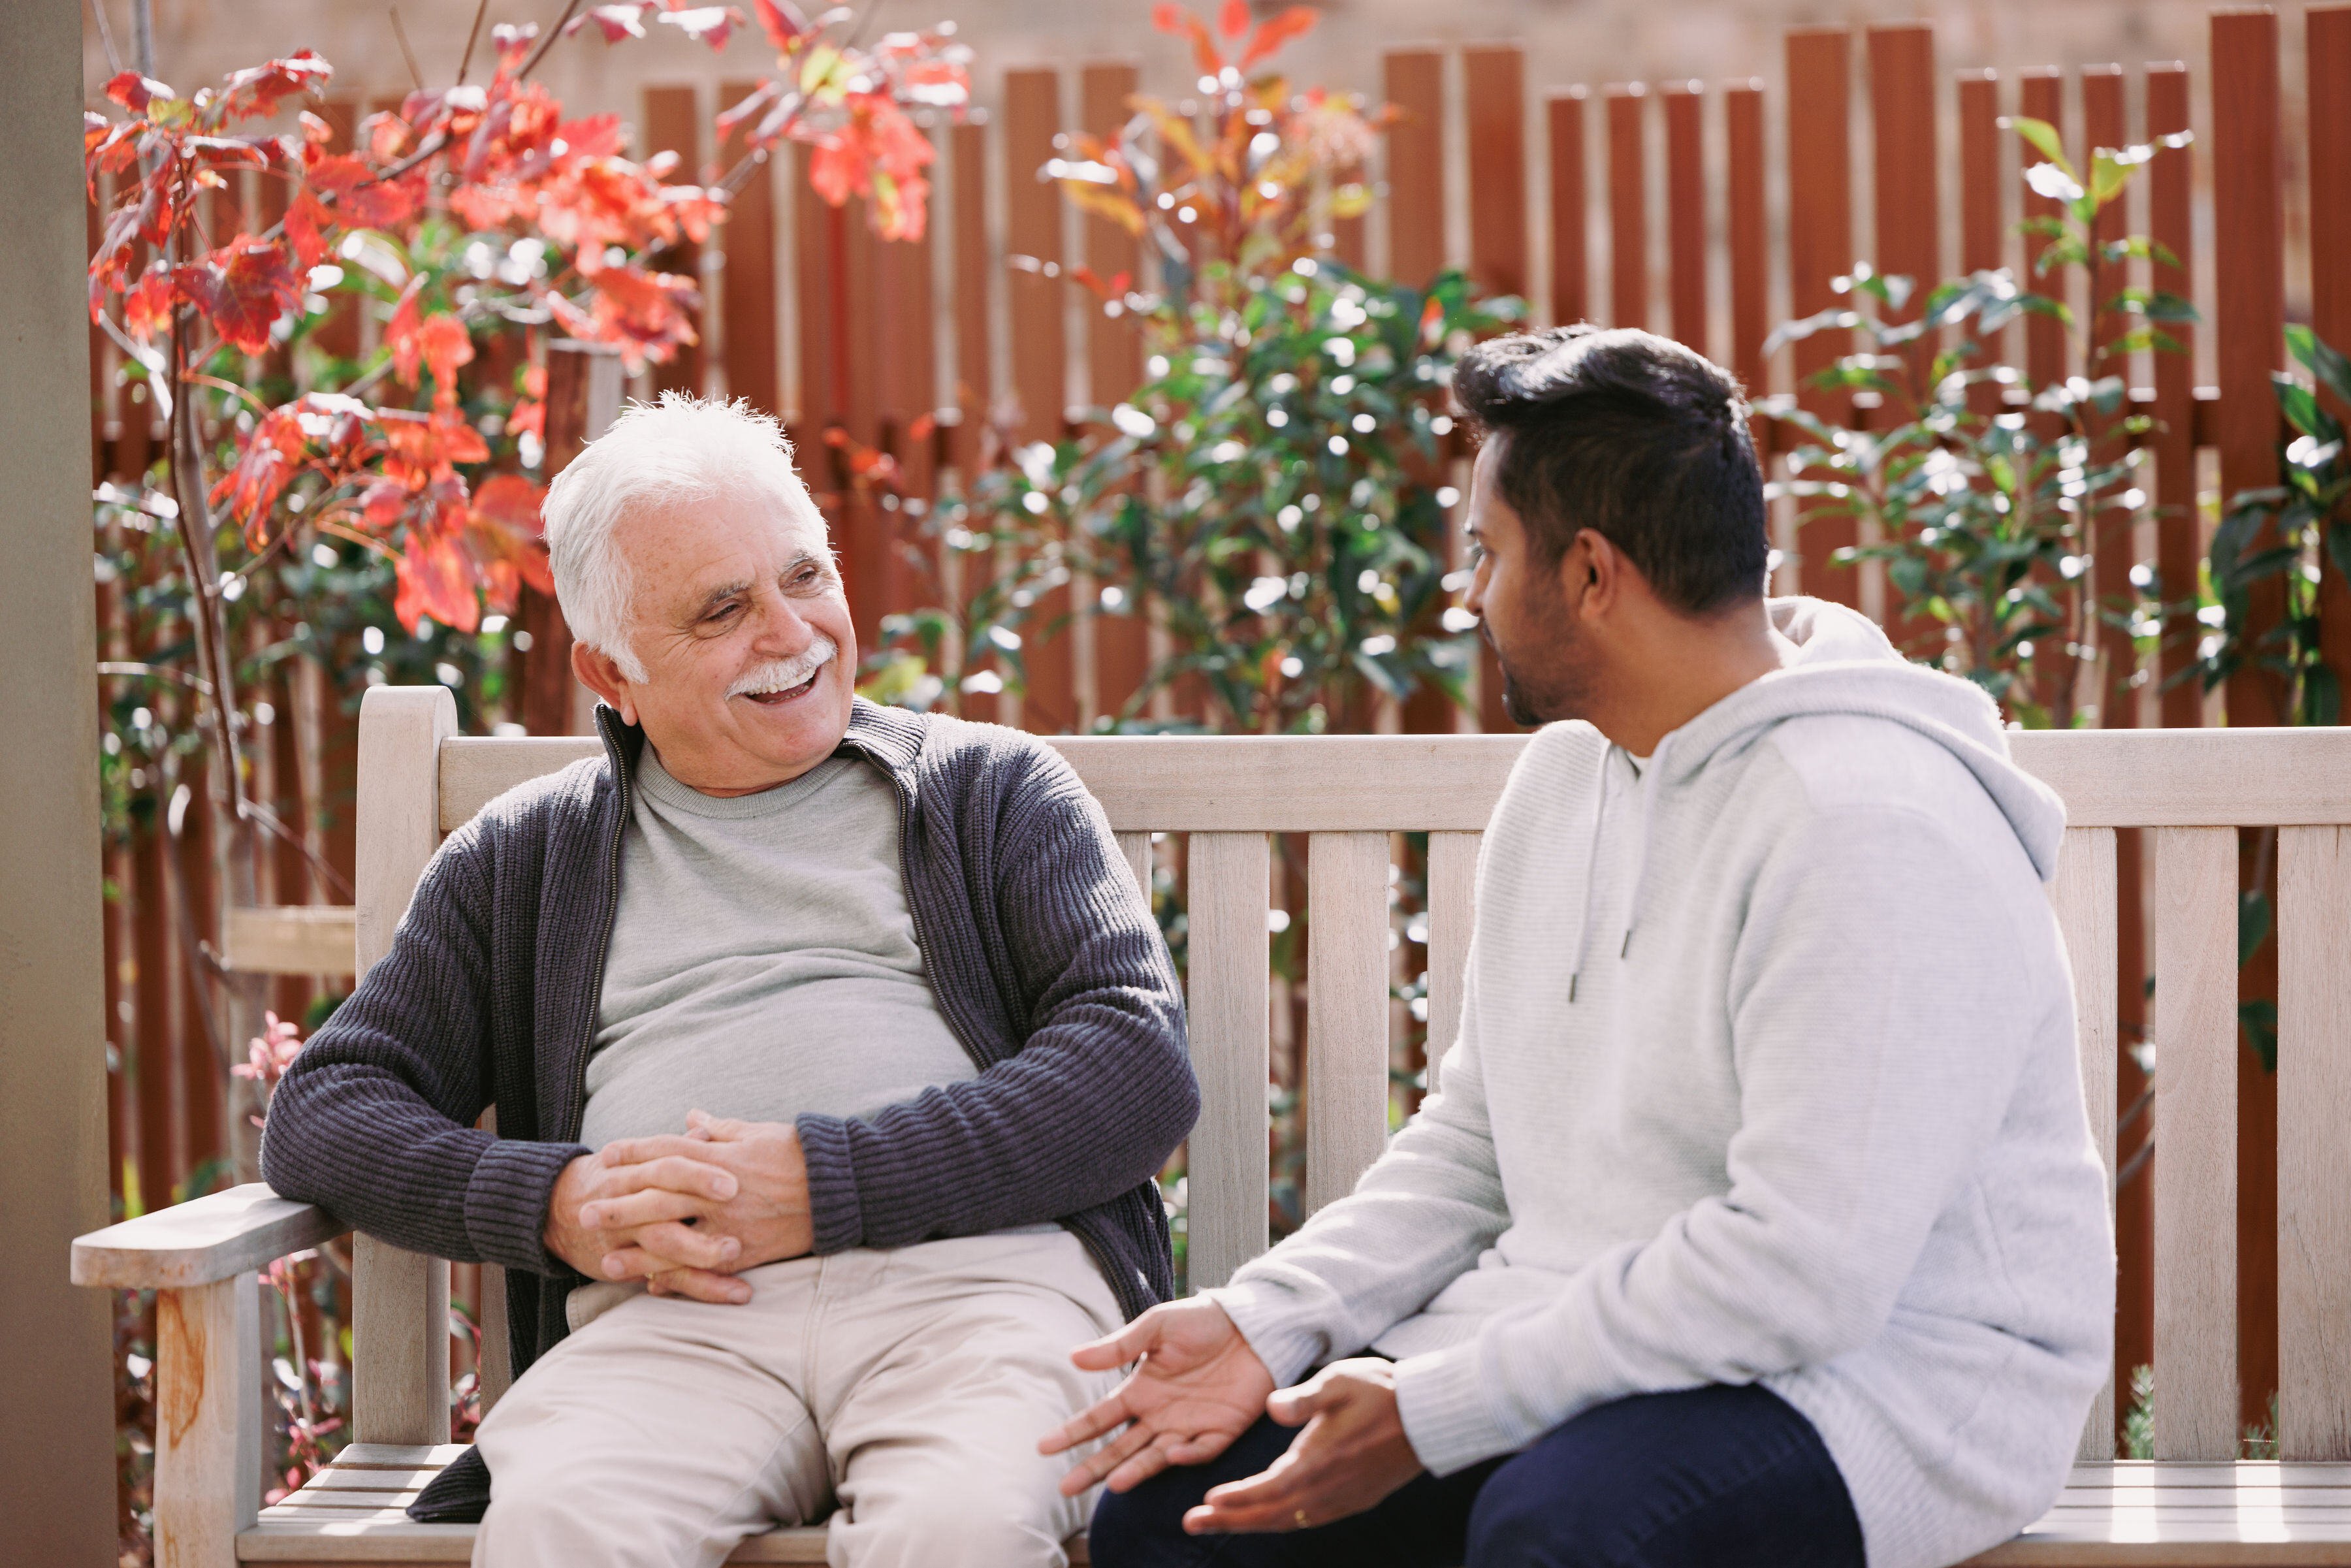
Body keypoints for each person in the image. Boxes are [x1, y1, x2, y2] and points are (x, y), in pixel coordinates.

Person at [1046, 325, 2114, 1568]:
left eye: (1487, 553)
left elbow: (1802, 1274)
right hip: (1580, 1339)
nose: (1470, 593)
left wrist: (1438, 1405)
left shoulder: (1866, 824)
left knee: (1569, 1534)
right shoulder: (1567, 779)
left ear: (1593, 574)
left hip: (1886, 1382)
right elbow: (1478, 1144)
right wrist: (1267, 1320)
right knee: (1181, 1518)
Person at [259, 392, 1198, 1568]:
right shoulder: (526, 857)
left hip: (978, 1293)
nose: (791, 631)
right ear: (613, 668)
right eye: (723, 608)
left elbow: (1132, 1063)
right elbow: (329, 1107)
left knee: (959, 1529)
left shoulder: (991, 791)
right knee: (564, 1529)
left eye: (805, 576)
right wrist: (559, 1205)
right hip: (673, 1328)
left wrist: (821, 1182)